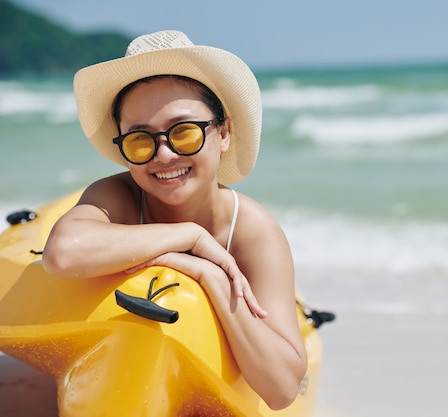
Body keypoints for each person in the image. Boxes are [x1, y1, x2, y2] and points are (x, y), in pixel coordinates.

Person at [42, 30, 307, 410]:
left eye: (183, 132)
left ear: (224, 132)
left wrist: (213, 278)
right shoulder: (116, 197)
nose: (163, 154)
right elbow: (62, 255)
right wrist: (190, 236)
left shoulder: (250, 230)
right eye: (140, 139)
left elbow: (282, 390)